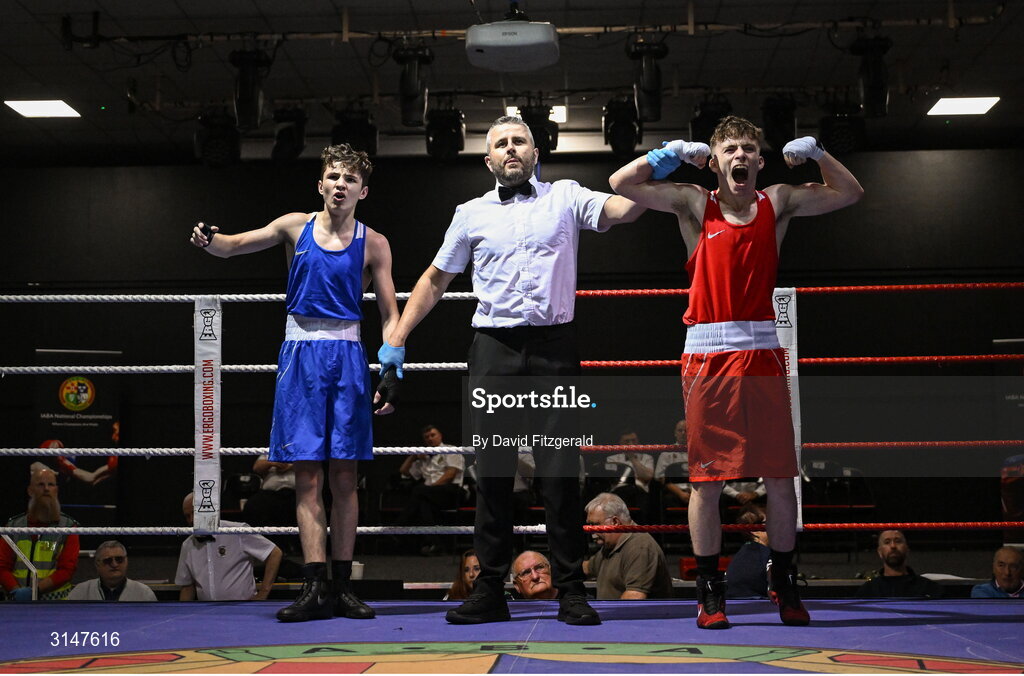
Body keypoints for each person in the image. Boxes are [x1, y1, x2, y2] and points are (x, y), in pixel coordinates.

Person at [382, 115, 645, 626]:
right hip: (494, 349)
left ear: (534, 150)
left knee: (559, 475)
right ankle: (490, 591)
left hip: (553, 348)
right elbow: (436, 279)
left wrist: (652, 166)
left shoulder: (566, 196)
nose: (510, 149)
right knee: (494, 475)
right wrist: (396, 339)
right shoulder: (471, 212)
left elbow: (624, 210)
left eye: (518, 141)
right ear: (488, 160)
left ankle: (571, 588)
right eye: (500, 143)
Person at [610, 115, 864, 628]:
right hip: (708, 354)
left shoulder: (779, 201)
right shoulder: (692, 201)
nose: (741, 156)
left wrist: (817, 152)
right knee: (706, 480)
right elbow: (621, 184)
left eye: (749, 148)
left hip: (764, 352)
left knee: (779, 476)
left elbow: (850, 192)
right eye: (730, 149)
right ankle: (709, 590)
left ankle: (785, 582)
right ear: (716, 159)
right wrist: (671, 154)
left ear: (760, 159)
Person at [190, 143, 400, 622]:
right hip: (300, 354)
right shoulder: (293, 226)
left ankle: (344, 587)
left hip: (348, 355)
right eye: (333, 175)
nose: (340, 184)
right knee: (307, 476)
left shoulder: (375, 243)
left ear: (362, 190)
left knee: (345, 477)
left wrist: (391, 367)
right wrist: (210, 240)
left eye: (350, 178)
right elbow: (236, 245)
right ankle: (314, 586)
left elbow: (391, 313)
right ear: (321, 184)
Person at [175, 493, 283, 601]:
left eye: (194, 513)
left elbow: (274, 553)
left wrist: (263, 593)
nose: (191, 520)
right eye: (187, 516)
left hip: (243, 610)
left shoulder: (237, 531)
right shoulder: (188, 545)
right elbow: (187, 587)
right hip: (206, 613)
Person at [0, 467, 80, 601]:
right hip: (16, 601)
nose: (46, 489)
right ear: (30, 491)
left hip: (55, 604)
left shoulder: (68, 527)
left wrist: (34, 591)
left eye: (51, 484)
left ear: (56, 490)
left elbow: (67, 570)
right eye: (41, 484)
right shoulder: (13, 526)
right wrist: (16, 591)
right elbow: (2, 566)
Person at [582, 493, 673, 600]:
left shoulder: (640, 547)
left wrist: (607, 615)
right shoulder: (611, 546)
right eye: (590, 526)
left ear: (615, 522)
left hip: (631, 616)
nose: (592, 532)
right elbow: (587, 567)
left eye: (596, 525)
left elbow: (634, 598)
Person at [398, 425, 466, 555]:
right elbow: (404, 472)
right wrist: (413, 456)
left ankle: (400, 525)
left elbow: (450, 474)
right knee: (424, 504)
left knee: (419, 491)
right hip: (430, 495)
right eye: (426, 437)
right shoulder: (424, 458)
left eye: (432, 435)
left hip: (451, 491)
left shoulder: (451, 450)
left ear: (440, 435)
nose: (430, 438)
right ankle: (435, 544)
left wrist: (428, 489)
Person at [857, 529, 943, 598]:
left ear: (907, 549)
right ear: (880, 552)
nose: (893, 546)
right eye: (887, 542)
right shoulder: (868, 591)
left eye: (898, 541)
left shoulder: (928, 588)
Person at [67, 540, 157, 602]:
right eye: (108, 560)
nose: (114, 564)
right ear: (97, 564)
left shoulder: (144, 593)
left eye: (119, 559)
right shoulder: (80, 592)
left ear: (127, 561)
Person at [725, 504, 771, 599]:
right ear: (754, 530)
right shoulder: (765, 555)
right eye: (768, 522)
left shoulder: (743, 553)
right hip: (758, 606)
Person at [654, 419, 691, 508]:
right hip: (674, 492)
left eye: (686, 430)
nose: (683, 433)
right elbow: (659, 477)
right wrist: (680, 493)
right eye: (680, 430)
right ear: (675, 433)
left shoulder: (698, 453)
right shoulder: (666, 454)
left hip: (696, 492)